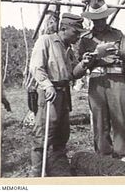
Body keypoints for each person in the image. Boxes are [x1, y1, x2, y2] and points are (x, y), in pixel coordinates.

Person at [29, 11, 91, 177]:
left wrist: (83, 64)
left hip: (64, 94)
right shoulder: (46, 41)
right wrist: (47, 86)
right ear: (64, 28)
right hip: (49, 94)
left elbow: (72, 74)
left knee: (61, 136)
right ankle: (36, 175)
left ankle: (57, 170)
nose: (78, 36)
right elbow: (36, 67)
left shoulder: (68, 49)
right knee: (43, 136)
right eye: (75, 32)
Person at [78, 0, 125, 162]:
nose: (99, 22)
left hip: (117, 78)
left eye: (102, 19)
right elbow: (79, 64)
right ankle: (104, 155)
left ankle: (124, 154)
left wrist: (119, 53)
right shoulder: (85, 39)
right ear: (91, 19)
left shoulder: (117, 34)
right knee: (99, 119)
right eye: (96, 20)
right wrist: (87, 58)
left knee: (120, 117)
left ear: (106, 17)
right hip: (96, 80)